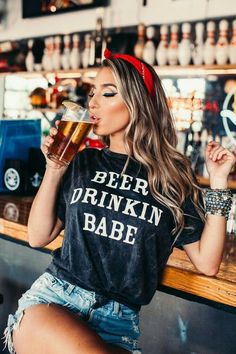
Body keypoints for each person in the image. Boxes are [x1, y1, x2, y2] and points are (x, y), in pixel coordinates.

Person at [4, 48, 235, 354]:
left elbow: (207, 263)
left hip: (117, 328)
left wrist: (219, 182)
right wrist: (55, 167)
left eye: (108, 93)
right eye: (93, 93)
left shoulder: (172, 180)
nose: (93, 103)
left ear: (138, 103)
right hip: (54, 303)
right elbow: (37, 235)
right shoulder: (83, 161)